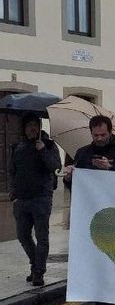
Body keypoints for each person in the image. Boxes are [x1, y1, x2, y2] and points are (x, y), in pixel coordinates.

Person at [62, 115, 115, 305]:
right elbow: (74, 185)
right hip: (91, 215)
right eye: (95, 135)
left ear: (110, 132)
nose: (99, 138)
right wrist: (68, 178)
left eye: (103, 135)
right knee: (95, 259)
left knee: (113, 259)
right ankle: (102, 303)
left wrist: (110, 169)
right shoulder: (83, 153)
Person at [9, 114, 61, 288]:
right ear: (24, 128)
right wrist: (13, 194)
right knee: (22, 236)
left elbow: (55, 167)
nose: (32, 128)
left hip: (41, 198)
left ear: (39, 127)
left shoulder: (49, 145)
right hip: (21, 199)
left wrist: (43, 150)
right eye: (29, 125)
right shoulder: (18, 146)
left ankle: (39, 272)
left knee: (42, 237)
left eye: (35, 125)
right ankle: (35, 264)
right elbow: (12, 172)